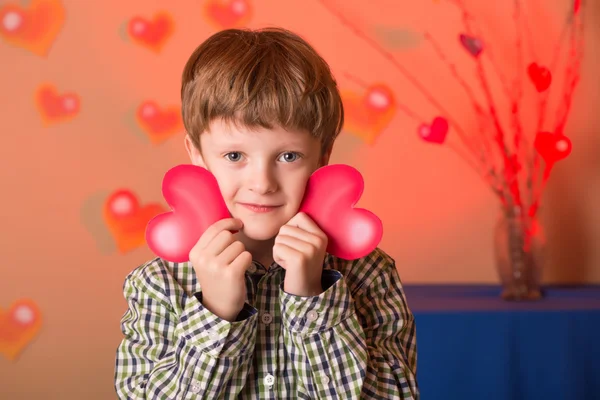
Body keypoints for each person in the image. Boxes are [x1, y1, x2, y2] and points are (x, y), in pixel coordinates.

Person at [114, 27, 418, 399]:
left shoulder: (369, 272)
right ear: (197, 155)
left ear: (322, 156)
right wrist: (215, 314)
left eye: (288, 156)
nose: (262, 183)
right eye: (234, 156)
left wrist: (312, 298)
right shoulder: (159, 283)